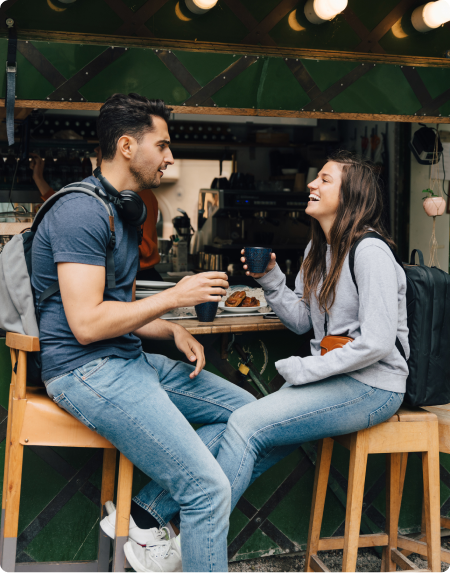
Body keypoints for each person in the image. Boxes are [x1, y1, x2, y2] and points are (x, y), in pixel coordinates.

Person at [105, 151, 409, 559]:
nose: (312, 185)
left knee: (247, 423)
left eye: (324, 179)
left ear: (352, 195)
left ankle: (184, 546)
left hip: (373, 385)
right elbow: (303, 320)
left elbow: (377, 343)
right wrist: (271, 279)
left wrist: (306, 368)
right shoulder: (317, 251)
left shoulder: (370, 252)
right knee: (250, 429)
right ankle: (149, 518)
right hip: (337, 379)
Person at [31, 93, 256, 573]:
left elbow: (121, 306)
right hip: (85, 370)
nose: (171, 157)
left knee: (256, 420)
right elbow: (88, 324)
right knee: (206, 488)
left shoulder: (127, 211)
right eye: (165, 145)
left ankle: (145, 512)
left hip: (129, 359)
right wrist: (173, 298)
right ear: (128, 146)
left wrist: (168, 329)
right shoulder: (80, 212)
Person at [30, 143, 162, 281]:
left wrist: (98, 245)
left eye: (102, 145)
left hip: (140, 276)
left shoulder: (137, 195)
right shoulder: (100, 191)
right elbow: (67, 205)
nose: (95, 150)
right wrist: (39, 179)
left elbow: (145, 248)